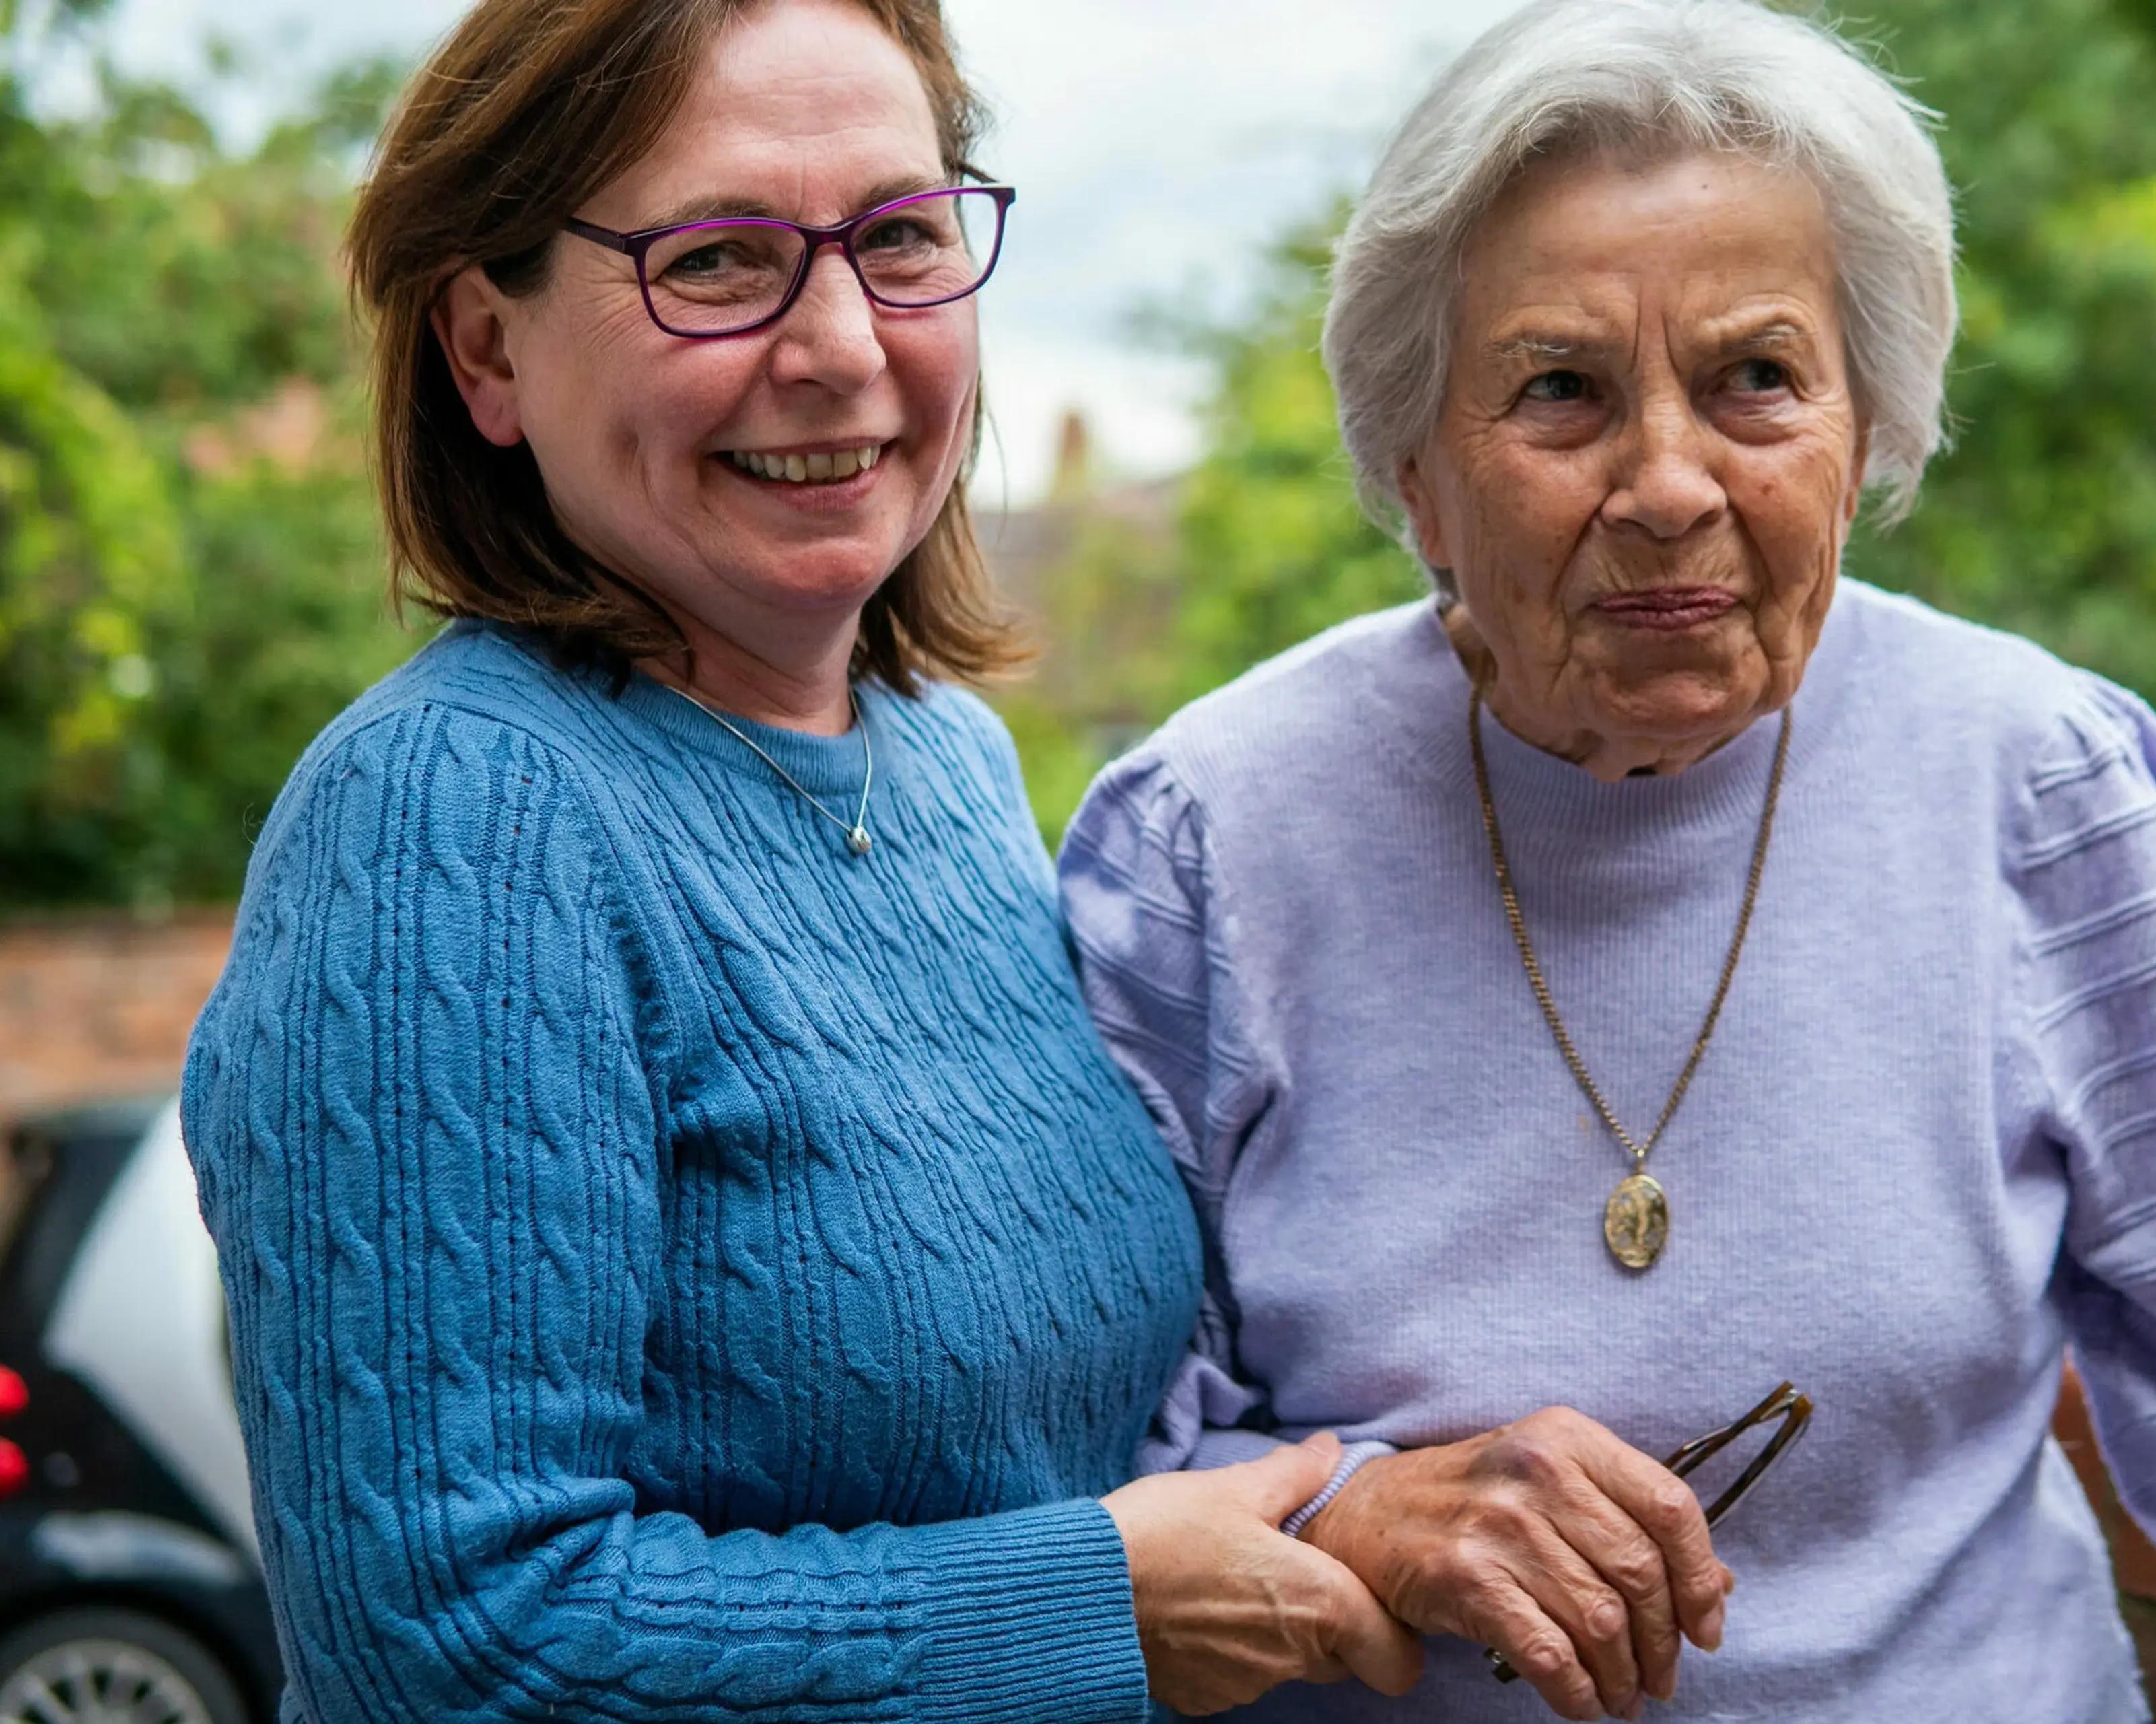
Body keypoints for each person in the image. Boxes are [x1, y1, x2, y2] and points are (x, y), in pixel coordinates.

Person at [1058, 2, 2156, 1720]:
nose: (1668, 482)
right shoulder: (1207, 842)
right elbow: (1081, 1460)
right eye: (1560, 391)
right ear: (1413, 470)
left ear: (1870, 433)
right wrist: (1354, 1511)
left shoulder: (2044, 793)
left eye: (1756, 381)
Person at [176, 1, 1433, 1718]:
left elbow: (1087, 1448)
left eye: (901, 238)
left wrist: (1386, 1503)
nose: (843, 342)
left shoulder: (955, 772)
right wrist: (1089, 1619)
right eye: (718, 260)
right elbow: (456, 1646)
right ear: (486, 347)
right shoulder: (451, 819)